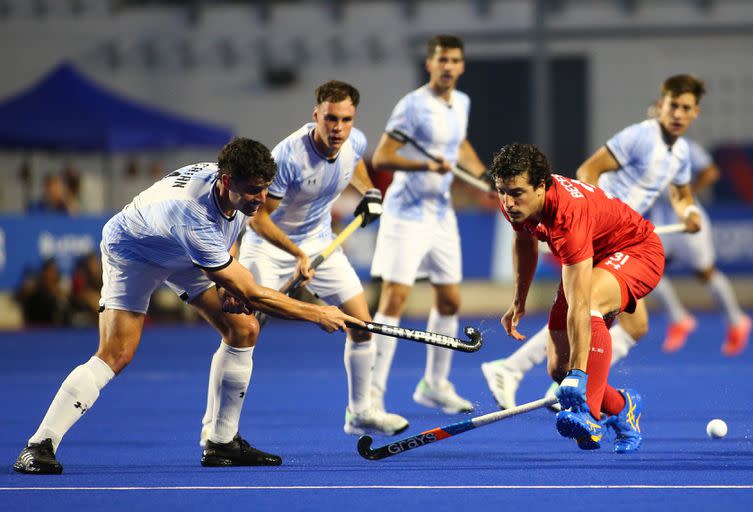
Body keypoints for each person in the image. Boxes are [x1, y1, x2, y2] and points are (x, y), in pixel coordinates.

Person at [13, 137, 362, 475]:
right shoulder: (192, 215)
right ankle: (39, 444)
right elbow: (254, 295)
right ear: (227, 181)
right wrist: (319, 312)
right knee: (116, 353)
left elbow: (232, 232)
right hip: (132, 252)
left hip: (182, 250)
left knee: (243, 328)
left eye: (265, 188)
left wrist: (228, 280)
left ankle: (221, 442)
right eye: (254, 190)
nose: (262, 198)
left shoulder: (233, 188)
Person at [482, 74, 704, 410]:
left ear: (694, 113)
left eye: (685, 108)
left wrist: (688, 211)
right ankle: (541, 375)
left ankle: (572, 382)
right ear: (661, 106)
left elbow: (681, 192)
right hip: (598, 231)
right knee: (588, 306)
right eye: (673, 106)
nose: (677, 114)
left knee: (628, 322)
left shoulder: (682, 152)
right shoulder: (640, 137)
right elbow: (589, 171)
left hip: (622, 238)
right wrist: (599, 212)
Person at [201, 80, 408, 440]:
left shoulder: (353, 140)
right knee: (244, 330)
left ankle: (360, 413)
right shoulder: (289, 158)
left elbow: (353, 162)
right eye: (330, 119)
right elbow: (258, 218)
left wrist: (369, 190)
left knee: (361, 324)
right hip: (270, 247)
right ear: (316, 115)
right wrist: (296, 253)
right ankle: (215, 431)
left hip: (320, 244)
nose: (338, 128)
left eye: (345, 119)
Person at [490, 142, 667, 453]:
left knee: (589, 309)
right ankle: (624, 406)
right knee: (558, 368)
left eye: (516, 193)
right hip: (594, 257)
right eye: (502, 191)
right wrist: (519, 300)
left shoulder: (568, 216)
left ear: (541, 186)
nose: (508, 202)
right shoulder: (517, 203)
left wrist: (579, 374)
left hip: (637, 252)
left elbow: (582, 305)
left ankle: (588, 414)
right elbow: (524, 243)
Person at [368, 34, 487, 417]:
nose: (448, 66)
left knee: (450, 300)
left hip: (441, 214)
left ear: (462, 66)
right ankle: (371, 397)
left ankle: (435, 385)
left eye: (454, 60)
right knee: (394, 301)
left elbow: (460, 145)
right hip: (405, 214)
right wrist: (424, 165)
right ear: (429, 64)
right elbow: (384, 156)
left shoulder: (463, 103)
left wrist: (485, 177)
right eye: (442, 60)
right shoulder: (413, 105)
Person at [649, 140, 752, 355]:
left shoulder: (684, 146)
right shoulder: (642, 148)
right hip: (662, 220)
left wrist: (687, 193)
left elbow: (711, 172)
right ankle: (679, 319)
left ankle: (737, 321)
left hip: (688, 219)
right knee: (648, 271)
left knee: (705, 273)